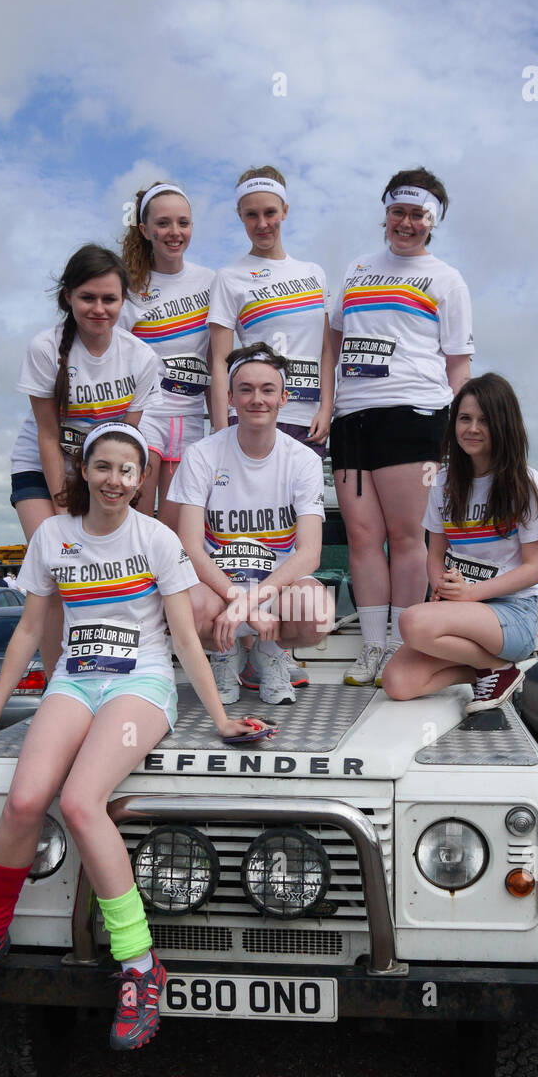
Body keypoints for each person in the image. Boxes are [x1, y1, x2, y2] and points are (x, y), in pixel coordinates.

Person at [0, 422, 265, 1052]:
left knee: (80, 802)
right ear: (84, 472)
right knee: (24, 801)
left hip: (140, 685)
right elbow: (28, 631)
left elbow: (184, 638)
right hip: (74, 681)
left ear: (141, 479)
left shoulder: (157, 538)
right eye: (103, 467)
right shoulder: (53, 537)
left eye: (126, 470)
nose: (114, 480)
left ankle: (140, 966)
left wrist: (222, 717)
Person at [329, 167, 475, 688]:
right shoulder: (357, 268)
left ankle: (399, 646)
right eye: (398, 212)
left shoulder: (446, 278)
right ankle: (373, 645)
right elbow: (332, 341)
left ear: (433, 222)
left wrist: (458, 430)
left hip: (415, 415)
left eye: (418, 215)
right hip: (352, 416)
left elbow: (458, 364)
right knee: (362, 537)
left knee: (406, 536)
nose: (406, 223)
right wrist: (327, 404)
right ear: (385, 213)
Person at [207, 166, 334, 692]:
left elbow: (326, 348)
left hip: (304, 422)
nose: (262, 223)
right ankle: (234, 651)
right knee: (243, 534)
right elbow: (219, 360)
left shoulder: (313, 272)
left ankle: (271, 651)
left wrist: (327, 403)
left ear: (285, 212)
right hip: (250, 419)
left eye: (270, 213)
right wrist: (222, 429)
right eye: (251, 215)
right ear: (240, 217)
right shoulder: (230, 277)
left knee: (287, 538)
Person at [9, 243, 159, 677]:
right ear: (68, 297)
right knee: (57, 578)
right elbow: (48, 435)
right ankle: (57, 683)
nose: (99, 308)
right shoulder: (45, 348)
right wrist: (62, 511)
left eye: (109, 299)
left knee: (103, 578)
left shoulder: (141, 357)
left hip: (101, 471)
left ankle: (110, 673)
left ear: (123, 301)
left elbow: (125, 443)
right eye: (87, 297)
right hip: (42, 467)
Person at [169, 343, 333, 707]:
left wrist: (249, 605)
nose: (257, 399)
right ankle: (225, 654)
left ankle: (267, 653)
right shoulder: (201, 455)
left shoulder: (303, 460)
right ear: (230, 397)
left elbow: (309, 553)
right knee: (185, 604)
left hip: (275, 590)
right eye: (245, 389)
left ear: (284, 398)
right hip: (218, 589)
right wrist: (236, 600)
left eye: (267, 389)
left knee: (317, 610)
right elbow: (189, 547)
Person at [381, 374, 538, 714]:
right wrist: (443, 587)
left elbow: (536, 568)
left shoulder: (528, 484)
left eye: (484, 420)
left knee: (412, 622)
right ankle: (492, 669)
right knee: (397, 682)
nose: (472, 429)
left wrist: (471, 593)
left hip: (513, 613)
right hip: (461, 608)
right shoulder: (443, 482)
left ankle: (499, 664)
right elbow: (435, 554)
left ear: (504, 424)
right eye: (464, 418)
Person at [119, 182, 215, 528]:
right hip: (145, 416)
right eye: (163, 223)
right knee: (137, 521)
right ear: (145, 230)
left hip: (190, 419)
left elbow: (216, 360)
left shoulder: (210, 281)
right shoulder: (129, 287)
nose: (174, 232)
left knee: (177, 531)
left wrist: (220, 427)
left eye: (183, 223)